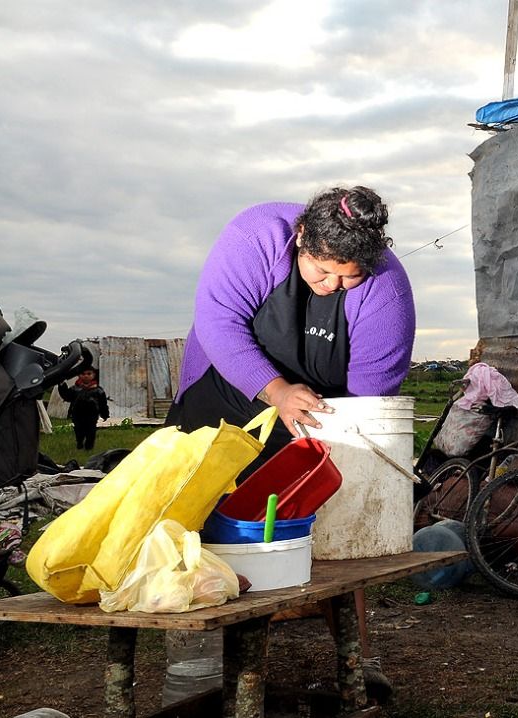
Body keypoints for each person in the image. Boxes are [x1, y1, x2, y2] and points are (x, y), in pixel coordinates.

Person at [168, 185, 415, 701]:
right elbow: (218, 320)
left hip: (321, 409)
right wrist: (275, 390)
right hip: (226, 385)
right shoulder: (256, 235)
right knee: (195, 512)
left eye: (351, 277)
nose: (335, 285)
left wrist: (333, 435)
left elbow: (371, 388)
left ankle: (355, 659)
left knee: (331, 518)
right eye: (323, 271)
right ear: (301, 237)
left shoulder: (386, 289)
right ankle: (195, 669)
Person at [58, 366, 110, 450]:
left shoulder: (98, 391)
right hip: (77, 414)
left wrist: (105, 414)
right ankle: (79, 443)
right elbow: (66, 396)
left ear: (94, 375)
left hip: (92, 415)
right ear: (78, 375)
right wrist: (62, 386)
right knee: (79, 430)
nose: (86, 376)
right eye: (83, 374)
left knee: (91, 431)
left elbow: (103, 404)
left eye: (89, 374)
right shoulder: (75, 389)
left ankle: (89, 447)